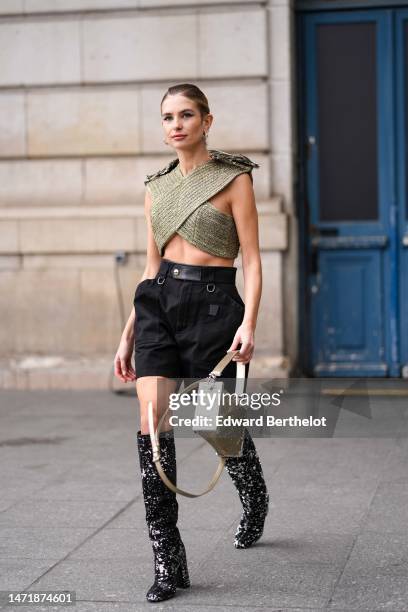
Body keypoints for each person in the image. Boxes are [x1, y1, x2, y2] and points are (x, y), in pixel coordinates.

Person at [114, 83, 269, 603]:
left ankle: (254, 496)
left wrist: (249, 320)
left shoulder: (233, 178)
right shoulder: (155, 187)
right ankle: (168, 555)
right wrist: (128, 331)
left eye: (185, 115)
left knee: (212, 421)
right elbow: (151, 264)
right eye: (166, 117)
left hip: (213, 305)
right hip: (157, 303)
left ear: (207, 120)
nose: (175, 124)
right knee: (152, 426)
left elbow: (251, 257)